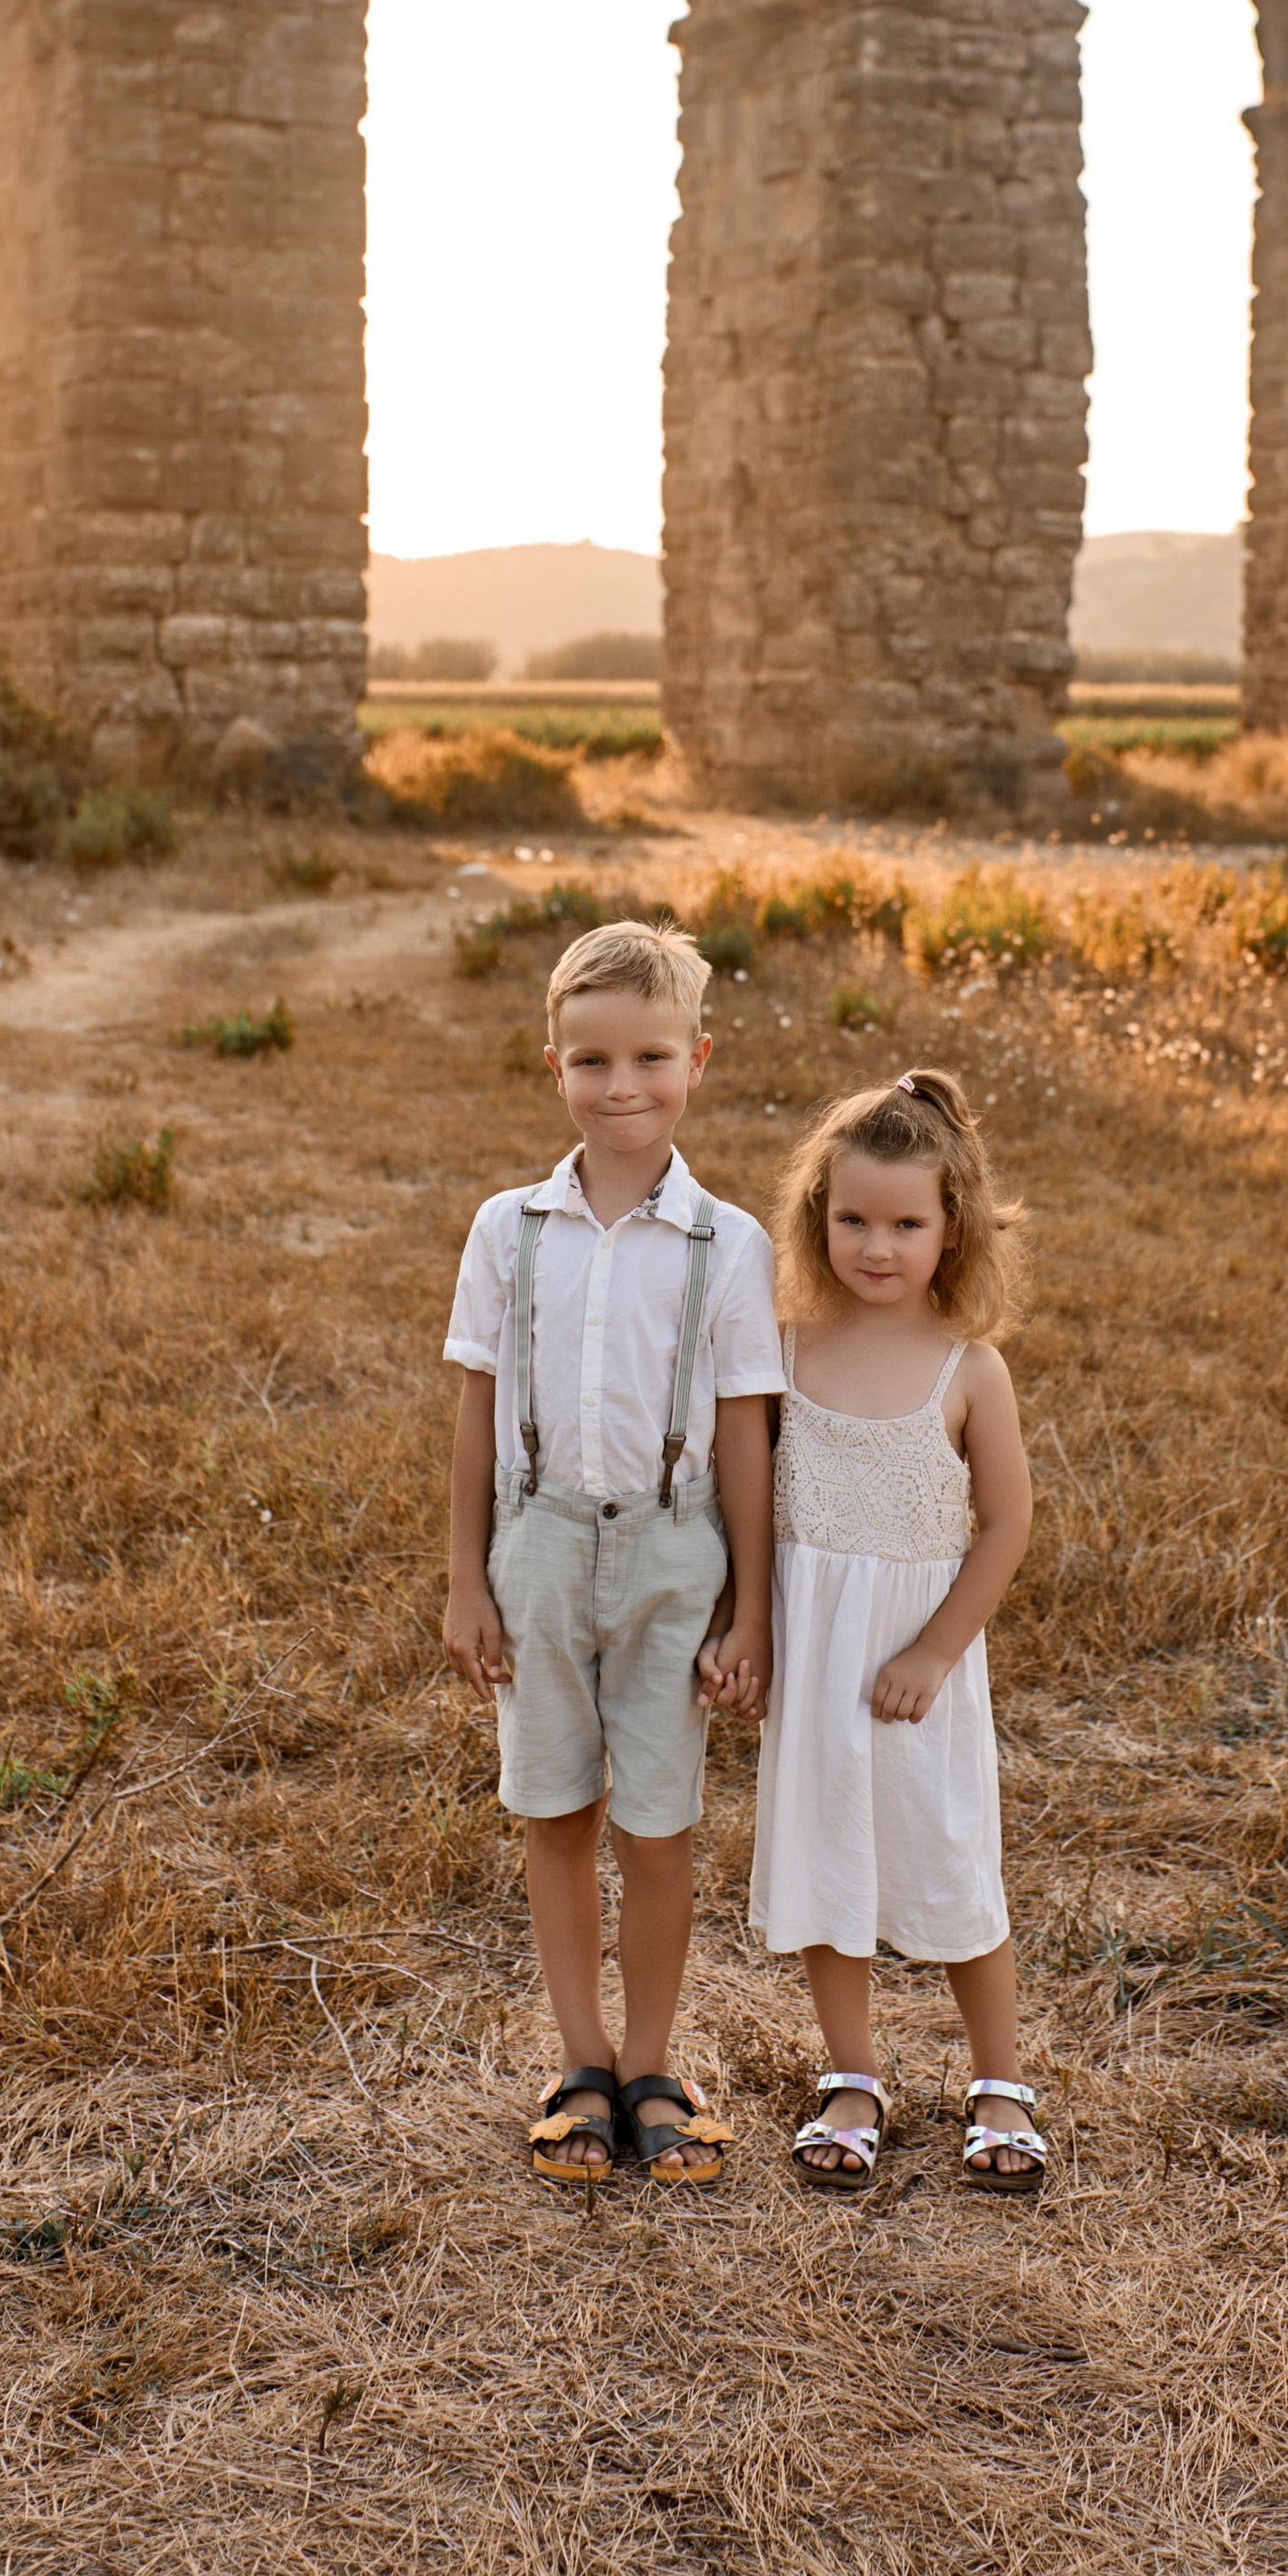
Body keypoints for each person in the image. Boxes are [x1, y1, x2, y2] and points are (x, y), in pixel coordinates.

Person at [442, 917, 782, 2186]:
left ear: (697, 1059)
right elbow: (475, 1409)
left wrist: (749, 1605)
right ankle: (578, 2064)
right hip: (532, 1546)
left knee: (658, 1825)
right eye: (593, 1062)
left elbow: (747, 1433)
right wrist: (465, 1575)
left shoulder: (727, 1244)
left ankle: (652, 2067)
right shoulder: (506, 1230)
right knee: (555, 1813)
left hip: (674, 1554)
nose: (622, 1087)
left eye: (650, 1058)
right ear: (554, 1066)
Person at [751, 1066, 1045, 2193]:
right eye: (853, 1220)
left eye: (906, 1223)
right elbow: (750, 1505)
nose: (876, 1247)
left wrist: (934, 1650)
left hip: (919, 1662)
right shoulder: (785, 1350)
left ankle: (1000, 2080)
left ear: (952, 1227)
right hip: (815, 1661)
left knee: (949, 1857)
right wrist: (748, 1630)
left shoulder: (970, 1370)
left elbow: (1007, 1523)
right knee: (830, 1863)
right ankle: (853, 2074)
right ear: (817, 1216)